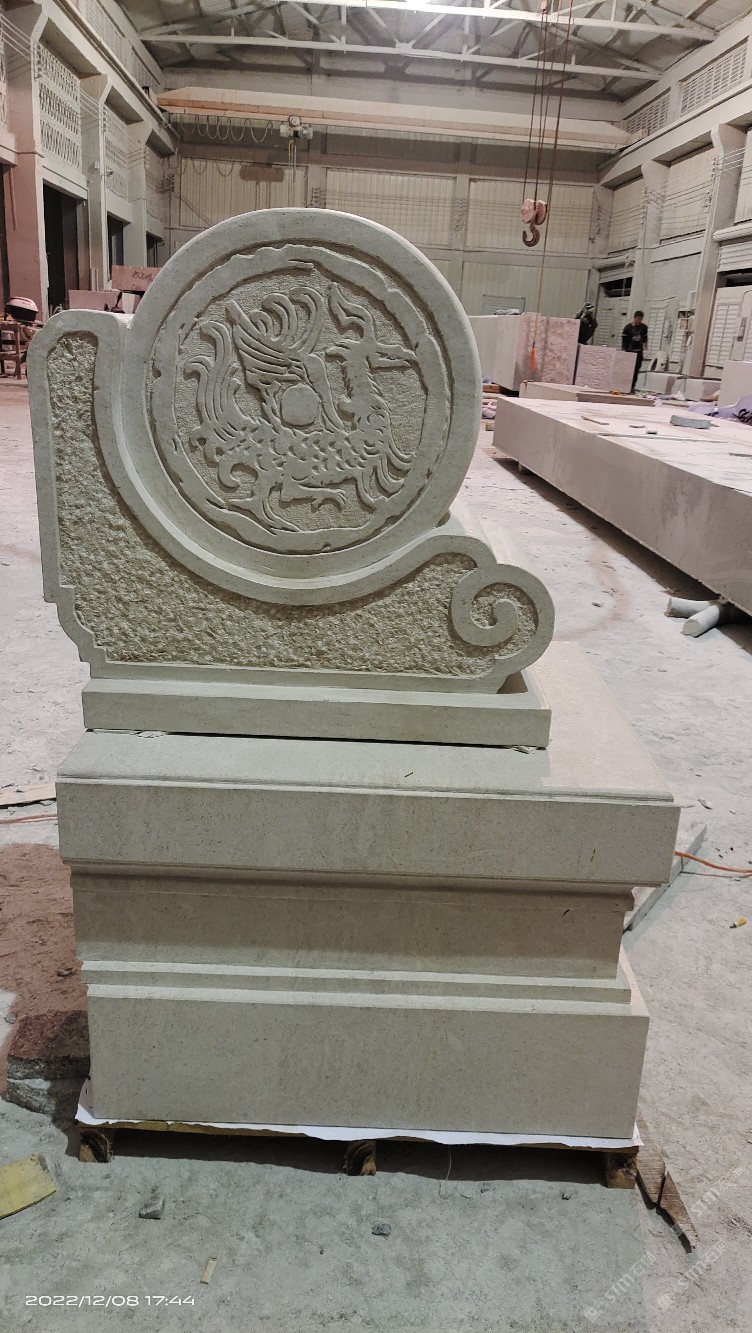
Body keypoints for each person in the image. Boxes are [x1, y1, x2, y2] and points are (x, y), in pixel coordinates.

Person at [622, 310, 649, 391]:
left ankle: (632, 386)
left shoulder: (644, 327)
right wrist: (624, 350)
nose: (639, 321)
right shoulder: (628, 328)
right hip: (630, 351)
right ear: (635, 318)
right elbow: (624, 341)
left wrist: (646, 349)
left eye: (641, 319)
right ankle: (625, 385)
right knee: (628, 370)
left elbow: (645, 339)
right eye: (638, 319)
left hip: (638, 351)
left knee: (636, 370)